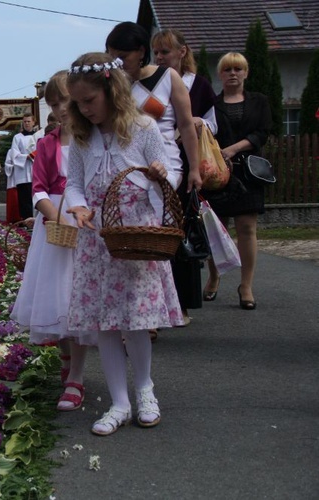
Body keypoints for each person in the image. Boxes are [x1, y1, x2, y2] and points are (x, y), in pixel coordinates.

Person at [64, 53, 184, 436]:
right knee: (104, 322)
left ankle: (145, 389)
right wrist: (79, 208)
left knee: (135, 319)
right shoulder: (82, 138)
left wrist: (160, 175)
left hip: (137, 238)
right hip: (97, 239)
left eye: (90, 101)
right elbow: (74, 183)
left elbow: (169, 173)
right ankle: (119, 401)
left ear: (111, 92)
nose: (84, 109)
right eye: (78, 103)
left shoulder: (144, 127)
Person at [106, 21, 201, 340]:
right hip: (127, 163)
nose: (116, 62)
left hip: (165, 165)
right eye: (111, 56)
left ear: (140, 53)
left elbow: (187, 126)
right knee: (128, 240)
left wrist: (195, 168)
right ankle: (137, 310)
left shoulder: (168, 77)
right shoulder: (113, 83)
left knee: (152, 241)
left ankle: (150, 314)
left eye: (122, 56)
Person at [10, 71, 93, 412]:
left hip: (86, 221)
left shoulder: (94, 139)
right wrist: (56, 217)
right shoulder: (46, 143)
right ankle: (66, 354)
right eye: (54, 103)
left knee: (79, 299)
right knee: (59, 297)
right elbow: (39, 187)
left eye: (64, 101)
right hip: (55, 225)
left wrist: (80, 215)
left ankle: (76, 375)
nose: (59, 109)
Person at [151, 28, 219, 325]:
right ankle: (156, 302)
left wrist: (194, 122)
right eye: (156, 51)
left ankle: (183, 303)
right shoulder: (151, 84)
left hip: (184, 163)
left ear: (182, 51)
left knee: (181, 234)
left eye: (165, 51)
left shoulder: (198, 85)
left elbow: (215, 124)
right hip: (158, 163)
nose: (160, 56)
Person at [204, 52, 271, 310]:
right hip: (218, 173)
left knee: (246, 229)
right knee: (216, 230)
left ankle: (246, 285)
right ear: (220, 74)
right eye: (228, 69)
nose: (233, 73)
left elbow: (262, 133)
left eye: (238, 69)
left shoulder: (259, 101)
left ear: (246, 73)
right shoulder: (211, 103)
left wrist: (233, 149)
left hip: (249, 173)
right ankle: (214, 276)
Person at [5, 112, 38, 222]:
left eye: (29, 121)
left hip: (35, 171)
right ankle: (26, 223)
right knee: (24, 200)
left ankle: (37, 222)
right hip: (22, 172)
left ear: (33, 122)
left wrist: (34, 156)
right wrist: (27, 156)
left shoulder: (37, 136)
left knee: (36, 199)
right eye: (25, 122)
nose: (27, 124)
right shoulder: (17, 137)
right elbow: (14, 153)